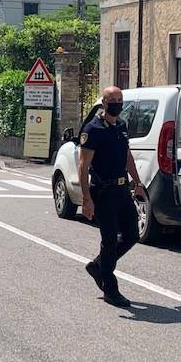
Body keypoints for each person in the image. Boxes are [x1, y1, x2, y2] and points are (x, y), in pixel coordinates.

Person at [78, 86, 146, 307]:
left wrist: (137, 183)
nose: (117, 103)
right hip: (103, 192)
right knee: (109, 241)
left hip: (122, 190)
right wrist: (87, 199)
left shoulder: (122, 126)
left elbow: (127, 156)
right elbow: (83, 165)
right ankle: (110, 288)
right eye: (113, 100)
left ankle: (99, 266)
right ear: (104, 103)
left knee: (132, 235)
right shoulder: (93, 129)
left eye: (120, 99)